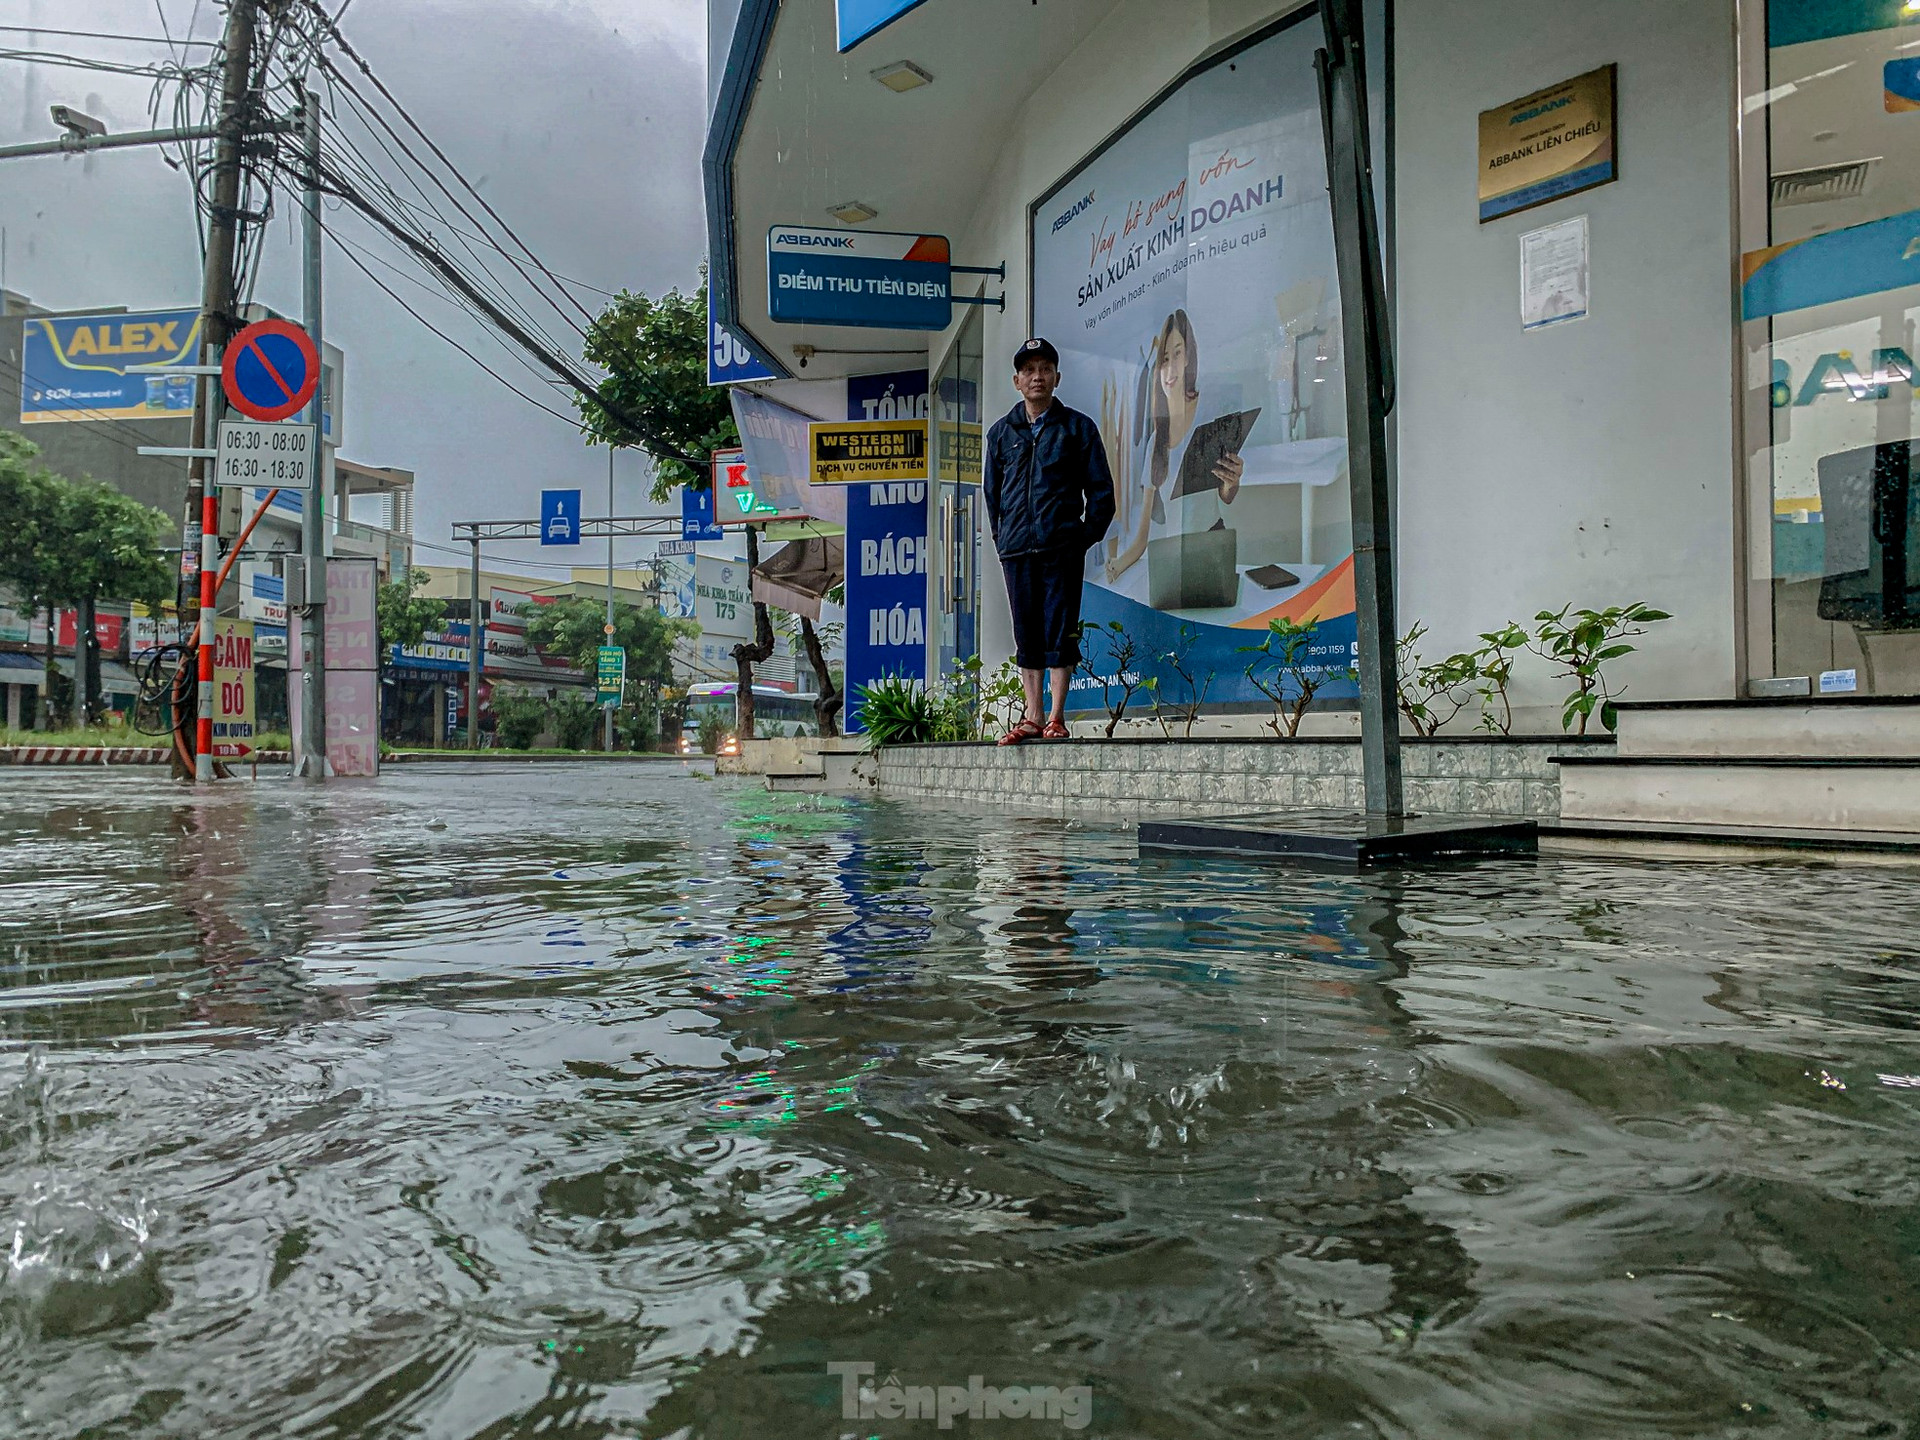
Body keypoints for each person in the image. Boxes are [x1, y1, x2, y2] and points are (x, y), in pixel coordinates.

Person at [982, 337, 1116, 745]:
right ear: (1017, 381)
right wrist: (1004, 540)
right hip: (1018, 550)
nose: (1037, 376)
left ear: (1057, 378)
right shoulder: (1001, 434)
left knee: (1060, 629)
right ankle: (1032, 715)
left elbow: (1101, 492)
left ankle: (1057, 716)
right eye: (1029, 370)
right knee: (1027, 632)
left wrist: (1082, 538)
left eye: (1045, 369)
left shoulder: (1078, 428)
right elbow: (993, 495)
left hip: (1061, 548)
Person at [1103, 308, 1245, 583]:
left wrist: (1232, 481)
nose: (1170, 368)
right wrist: (1118, 564)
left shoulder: (1209, 413)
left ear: (1189, 356)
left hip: (1211, 544)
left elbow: (1226, 495)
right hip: (1174, 554)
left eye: (1177, 354)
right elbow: (1142, 535)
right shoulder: (1156, 440)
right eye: (1164, 359)